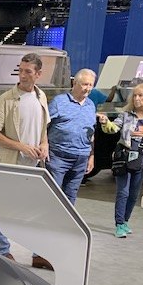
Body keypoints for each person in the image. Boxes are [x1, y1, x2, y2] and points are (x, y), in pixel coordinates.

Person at [0, 52, 52, 270]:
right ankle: (3, 251)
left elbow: (43, 129)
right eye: (20, 70)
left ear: (38, 74)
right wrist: (22, 146)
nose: (22, 75)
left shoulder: (41, 97)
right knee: (5, 208)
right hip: (10, 163)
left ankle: (38, 253)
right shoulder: (6, 99)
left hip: (34, 166)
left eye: (28, 71)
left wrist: (45, 145)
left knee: (36, 210)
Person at [99, 82, 143, 238]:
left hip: (142, 161)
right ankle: (119, 224)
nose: (137, 98)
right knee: (123, 192)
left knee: (134, 194)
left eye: (140, 95)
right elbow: (113, 128)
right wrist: (105, 123)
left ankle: (125, 222)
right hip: (124, 158)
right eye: (135, 95)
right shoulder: (126, 115)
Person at [46, 68, 98, 207]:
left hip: (81, 158)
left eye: (90, 85)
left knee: (71, 195)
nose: (87, 88)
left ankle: (64, 226)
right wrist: (43, 147)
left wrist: (91, 156)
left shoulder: (91, 105)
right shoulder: (59, 102)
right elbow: (43, 127)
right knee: (53, 193)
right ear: (75, 83)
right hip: (58, 157)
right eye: (84, 84)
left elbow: (91, 132)